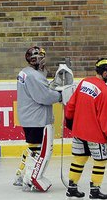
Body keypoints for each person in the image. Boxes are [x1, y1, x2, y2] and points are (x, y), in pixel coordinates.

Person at [15, 46, 73, 192]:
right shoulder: (33, 76)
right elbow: (43, 96)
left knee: (32, 147)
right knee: (37, 150)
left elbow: (43, 88)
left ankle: (20, 175)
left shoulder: (28, 72)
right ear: (34, 59)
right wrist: (61, 96)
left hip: (30, 117)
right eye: (41, 58)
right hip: (36, 118)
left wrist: (55, 83)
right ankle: (28, 179)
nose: (43, 60)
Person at [63, 57, 107, 200]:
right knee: (100, 161)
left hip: (79, 131)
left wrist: (69, 119)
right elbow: (105, 117)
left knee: (79, 159)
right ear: (103, 72)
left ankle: (71, 190)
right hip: (95, 134)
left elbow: (71, 104)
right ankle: (95, 192)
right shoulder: (105, 91)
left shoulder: (84, 82)